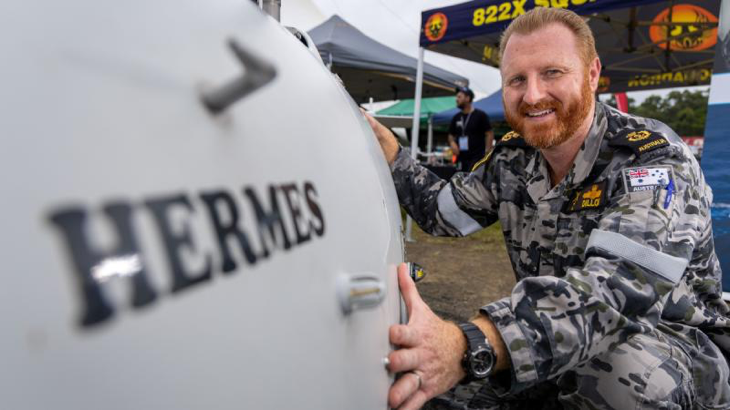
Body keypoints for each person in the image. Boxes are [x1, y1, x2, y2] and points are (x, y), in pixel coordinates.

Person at [364, 7, 730, 410]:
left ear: (592, 74)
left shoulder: (652, 160)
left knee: (619, 375)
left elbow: (617, 291)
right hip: (558, 342)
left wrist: (474, 342)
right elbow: (442, 212)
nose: (533, 95)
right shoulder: (513, 162)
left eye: (552, 73)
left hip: (672, 350)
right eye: (517, 80)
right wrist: (392, 154)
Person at [448, 86, 494, 172]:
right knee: (460, 182)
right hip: (461, 158)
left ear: (467, 98)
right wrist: (452, 143)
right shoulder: (456, 117)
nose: (456, 99)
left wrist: (487, 152)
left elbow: (489, 133)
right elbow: (451, 134)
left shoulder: (480, 115)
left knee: (473, 182)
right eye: (456, 97)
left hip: (477, 158)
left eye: (459, 97)